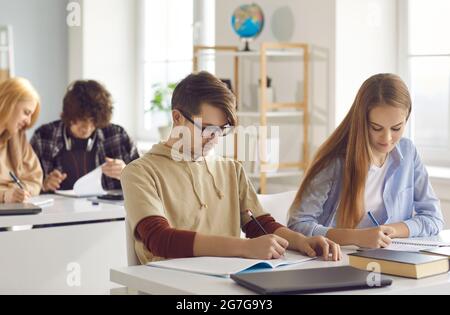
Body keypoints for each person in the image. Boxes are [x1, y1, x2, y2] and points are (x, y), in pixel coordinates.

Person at [121, 71, 342, 264]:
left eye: (221, 130)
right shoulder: (139, 172)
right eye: (206, 129)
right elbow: (160, 240)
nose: (214, 139)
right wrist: (244, 247)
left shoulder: (230, 169)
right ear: (177, 117)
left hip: (225, 281)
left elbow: (259, 225)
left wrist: (303, 242)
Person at [288, 73, 444, 249]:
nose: (387, 138)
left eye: (396, 128)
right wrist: (355, 237)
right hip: (337, 262)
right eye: (376, 128)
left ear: (407, 118)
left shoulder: (408, 153)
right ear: (362, 121)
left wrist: (390, 230)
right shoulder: (335, 162)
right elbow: (297, 225)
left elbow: (434, 218)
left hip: (392, 259)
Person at [31, 80, 139, 192]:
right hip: (59, 208)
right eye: (82, 119)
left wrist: (126, 173)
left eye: (93, 120)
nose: (87, 128)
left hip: (107, 208)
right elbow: (26, 186)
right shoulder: (43, 136)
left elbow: (146, 181)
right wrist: (43, 185)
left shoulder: (117, 136)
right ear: (69, 115)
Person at [0, 78, 43, 203]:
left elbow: (35, 180)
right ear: (8, 103)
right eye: (26, 112)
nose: (29, 122)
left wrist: (16, 193)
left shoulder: (18, 137)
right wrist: (4, 195)